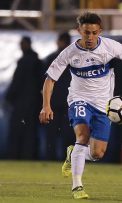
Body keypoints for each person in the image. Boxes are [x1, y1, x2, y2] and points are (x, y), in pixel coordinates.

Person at [39, 12, 122, 200]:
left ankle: (73, 154)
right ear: (79, 31)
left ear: (100, 31)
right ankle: (77, 186)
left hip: (104, 105)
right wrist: (46, 106)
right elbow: (50, 80)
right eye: (86, 33)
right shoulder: (69, 53)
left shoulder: (110, 47)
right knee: (82, 136)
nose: (90, 37)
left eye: (93, 33)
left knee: (97, 153)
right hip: (78, 99)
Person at [4, 36, 43, 160]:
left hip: (22, 103)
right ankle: (29, 155)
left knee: (18, 131)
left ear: (26, 44)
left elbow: (17, 82)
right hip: (33, 103)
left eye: (22, 44)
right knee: (30, 132)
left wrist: (8, 98)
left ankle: (15, 155)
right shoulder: (37, 61)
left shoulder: (24, 62)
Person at [42, 32, 75, 160]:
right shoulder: (75, 58)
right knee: (69, 134)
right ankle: (68, 159)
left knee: (52, 133)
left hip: (53, 102)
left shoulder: (51, 58)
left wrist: (45, 103)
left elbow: (44, 81)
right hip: (69, 102)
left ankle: (50, 158)